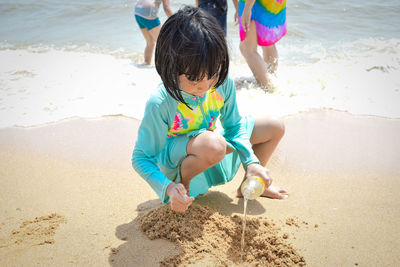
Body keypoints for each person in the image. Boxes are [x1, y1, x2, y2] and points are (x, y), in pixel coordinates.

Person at [132, 6, 287, 213]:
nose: (204, 86)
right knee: (214, 144)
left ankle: (248, 184)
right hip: (176, 166)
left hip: (209, 145)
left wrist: (251, 162)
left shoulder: (222, 84)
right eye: (194, 79)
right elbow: (141, 157)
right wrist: (168, 188)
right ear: (171, 66)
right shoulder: (161, 103)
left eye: (212, 74)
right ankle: (183, 190)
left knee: (274, 126)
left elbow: (235, 126)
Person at [236, 0, 287, 88]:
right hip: (272, 4)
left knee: (247, 49)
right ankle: (271, 77)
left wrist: (247, 8)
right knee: (268, 43)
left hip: (254, 3)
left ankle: (268, 86)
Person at [134, 0, 173, 65]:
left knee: (150, 43)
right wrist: (177, 20)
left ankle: (146, 64)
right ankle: (166, 66)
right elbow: (167, 8)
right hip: (148, 13)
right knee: (163, 43)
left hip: (137, 11)